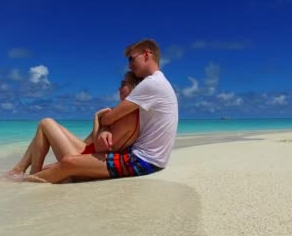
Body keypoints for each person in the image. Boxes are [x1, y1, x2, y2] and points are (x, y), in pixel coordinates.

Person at [13, 38, 178, 183]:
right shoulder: (157, 84)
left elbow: (107, 120)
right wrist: (105, 125)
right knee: (54, 147)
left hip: (142, 160)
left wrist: (98, 117)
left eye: (131, 58)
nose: (129, 65)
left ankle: (27, 182)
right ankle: (21, 172)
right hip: (149, 159)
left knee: (67, 161)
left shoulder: (151, 84)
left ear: (147, 54)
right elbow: (105, 128)